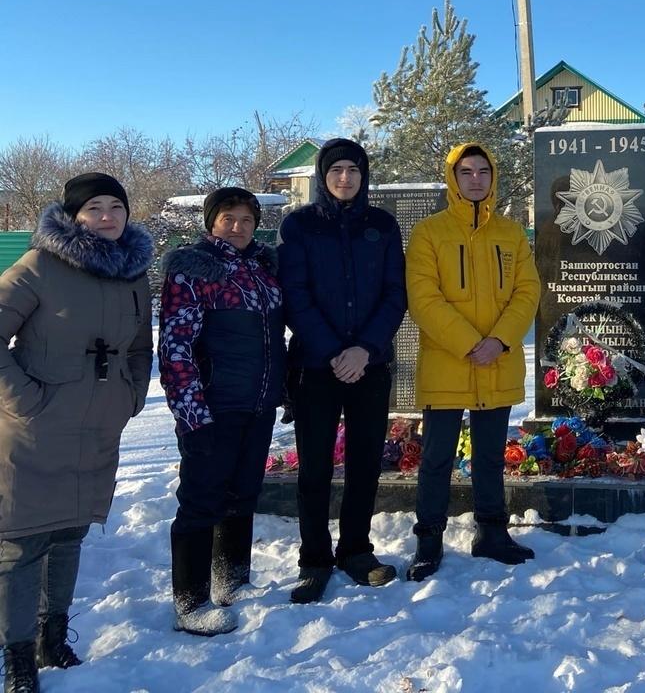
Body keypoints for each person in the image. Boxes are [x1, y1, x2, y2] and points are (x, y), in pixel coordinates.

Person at [0, 173, 152, 692]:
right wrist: (25, 401)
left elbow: (139, 349)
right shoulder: (40, 266)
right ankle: (17, 656)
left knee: (70, 534)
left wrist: (131, 397)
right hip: (34, 429)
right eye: (94, 208)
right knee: (21, 545)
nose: (107, 216)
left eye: (116, 206)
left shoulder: (133, 275)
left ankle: (53, 637)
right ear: (73, 216)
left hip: (97, 430)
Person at [277, 138, 407, 604]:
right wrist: (335, 350)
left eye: (354, 169)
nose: (345, 178)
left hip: (369, 366)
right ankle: (314, 559)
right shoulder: (299, 225)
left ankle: (356, 549)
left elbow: (396, 293)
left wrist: (365, 350)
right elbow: (295, 295)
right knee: (314, 468)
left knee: (365, 463)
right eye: (336, 170)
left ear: (364, 175)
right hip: (317, 365)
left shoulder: (382, 225)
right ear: (322, 175)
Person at [404, 143, 540, 580]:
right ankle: (428, 540)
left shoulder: (511, 233)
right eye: (466, 172)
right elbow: (424, 298)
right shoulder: (429, 233)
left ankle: (492, 533)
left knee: (490, 457)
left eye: (484, 171)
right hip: (448, 363)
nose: (476, 179)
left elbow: (527, 291)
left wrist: (498, 341)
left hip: (496, 363)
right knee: (437, 457)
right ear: (453, 178)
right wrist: (468, 343)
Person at [159, 188, 285, 636]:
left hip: (259, 402)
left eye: (246, 220)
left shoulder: (263, 271)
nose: (238, 227)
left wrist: (281, 390)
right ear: (211, 222)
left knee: (243, 492)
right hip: (212, 407)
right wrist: (191, 412)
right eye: (228, 219)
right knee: (200, 501)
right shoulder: (193, 270)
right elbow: (176, 347)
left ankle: (231, 579)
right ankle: (190, 601)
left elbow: (273, 341)